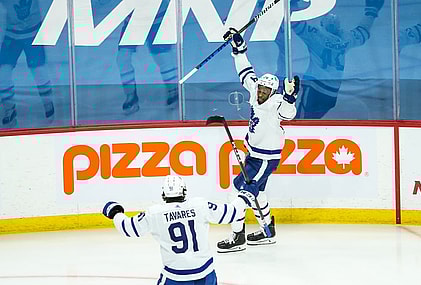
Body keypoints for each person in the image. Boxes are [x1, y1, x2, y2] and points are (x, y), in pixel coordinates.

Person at [216, 27, 299, 253]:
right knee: (257, 192)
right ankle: (267, 231)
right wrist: (238, 47)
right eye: (260, 88)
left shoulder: (277, 103)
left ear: (274, 92)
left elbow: (288, 114)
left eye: (265, 90)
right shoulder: (255, 90)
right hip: (253, 155)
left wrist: (291, 97)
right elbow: (245, 70)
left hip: (265, 159)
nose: (261, 92)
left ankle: (237, 236)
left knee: (240, 192)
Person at [102, 175, 258, 284]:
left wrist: (115, 213)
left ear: (163, 194)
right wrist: (245, 195)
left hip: (176, 277)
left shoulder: (155, 213)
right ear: (184, 192)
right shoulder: (200, 205)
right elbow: (231, 213)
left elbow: (128, 228)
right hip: (206, 275)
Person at [116, 0, 178, 115]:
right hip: (134, 22)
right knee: (122, 58)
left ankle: (173, 90)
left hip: (158, 20)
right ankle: (131, 95)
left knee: (162, 57)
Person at [0, 0, 55, 127]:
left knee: (39, 70)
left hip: (33, 32)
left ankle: (47, 102)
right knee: (3, 73)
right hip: (12, 34)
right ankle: (9, 108)